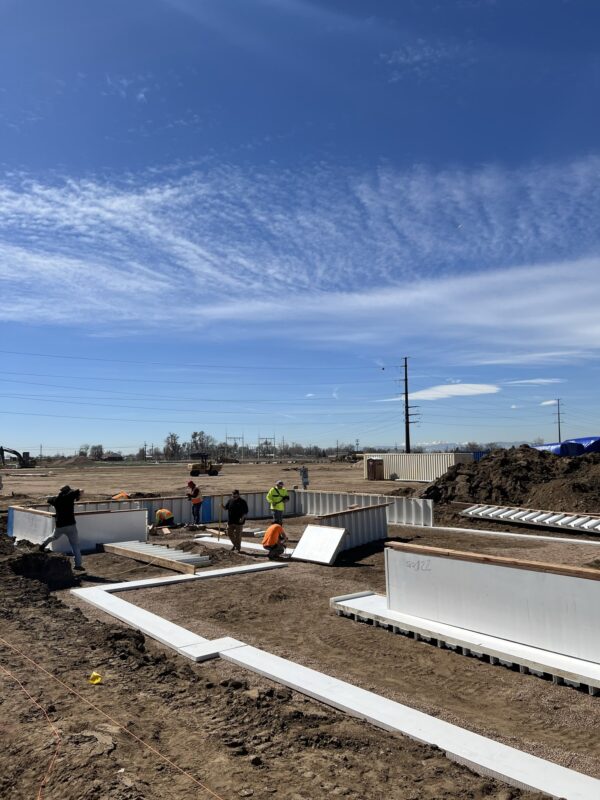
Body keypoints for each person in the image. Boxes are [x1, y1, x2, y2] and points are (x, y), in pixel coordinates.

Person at [39, 485, 85, 571]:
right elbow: (81, 490)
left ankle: (43, 545)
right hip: (71, 525)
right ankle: (78, 565)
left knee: (53, 536)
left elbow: (48, 500)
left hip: (60, 525)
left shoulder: (56, 499)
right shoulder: (69, 496)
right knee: (75, 545)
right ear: (68, 491)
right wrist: (78, 496)